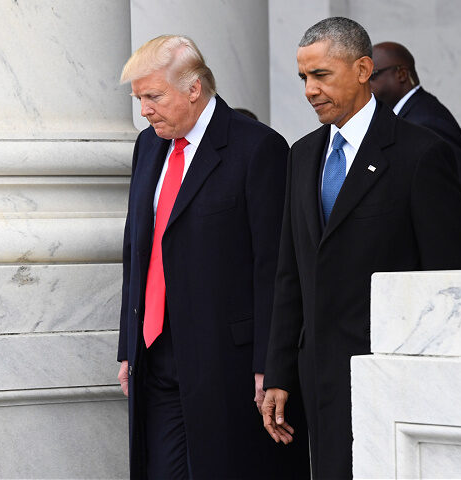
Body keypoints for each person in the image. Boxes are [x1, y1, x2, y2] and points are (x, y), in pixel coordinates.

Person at [261, 17, 461, 479]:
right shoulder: (301, 155)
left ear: (362, 69)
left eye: (321, 75)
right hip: (318, 377)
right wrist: (277, 371)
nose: (309, 90)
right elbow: (290, 272)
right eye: (303, 78)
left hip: (392, 376)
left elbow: (451, 278)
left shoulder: (421, 153)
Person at [117, 35, 309, 479]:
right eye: (138, 98)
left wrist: (269, 364)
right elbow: (137, 250)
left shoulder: (257, 147)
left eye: (153, 96)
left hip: (230, 364)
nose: (144, 110)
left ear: (193, 88)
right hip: (156, 355)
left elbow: (274, 266)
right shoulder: (148, 146)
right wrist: (129, 345)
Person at [370, 41, 461, 268]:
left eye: (372, 76)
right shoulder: (406, 117)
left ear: (401, 73)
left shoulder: (427, 122)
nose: (365, 86)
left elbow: (457, 206)